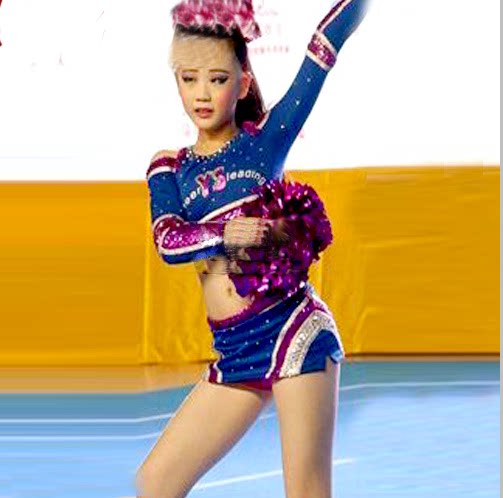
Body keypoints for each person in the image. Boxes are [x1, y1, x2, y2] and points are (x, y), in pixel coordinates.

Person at [136, 1, 370, 496]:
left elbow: (324, 45)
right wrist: (230, 232)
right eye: (189, 78)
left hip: (293, 331)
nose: (202, 93)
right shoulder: (169, 168)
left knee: (306, 489)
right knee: (155, 481)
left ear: (243, 83)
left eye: (218, 79)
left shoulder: (265, 140)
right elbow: (168, 241)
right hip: (235, 351)